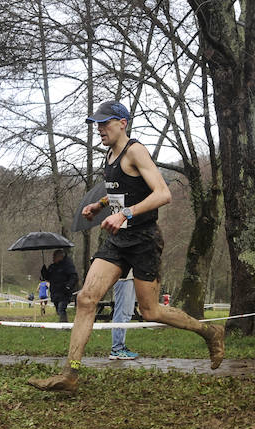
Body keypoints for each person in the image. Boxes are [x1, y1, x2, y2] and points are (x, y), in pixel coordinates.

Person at [28, 101, 224, 392]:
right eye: (97, 124)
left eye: (105, 123)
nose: (99, 129)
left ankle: (210, 332)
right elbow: (122, 192)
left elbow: (162, 193)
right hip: (118, 240)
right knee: (86, 299)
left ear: (123, 123)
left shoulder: (136, 150)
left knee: (151, 311)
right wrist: (101, 205)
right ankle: (70, 373)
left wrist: (125, 214)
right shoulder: (110, 155)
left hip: (144, 239)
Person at [41, 249, 78, 322]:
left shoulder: (68, 266)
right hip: (55, 292)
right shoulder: (52, 267)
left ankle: (64, 325)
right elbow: (47, 277)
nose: (53, 258)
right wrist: (44, 271)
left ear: (61, 257)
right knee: (58, 310)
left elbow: (74, 277)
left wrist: (68, 286)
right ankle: (63, 323)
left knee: (61, 308)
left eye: (55, 256)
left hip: (64, 292)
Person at [110, 271, 138, 359]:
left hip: (131, 277)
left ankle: (121, 346)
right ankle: (117, 349)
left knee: (127, 314)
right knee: (121, 313)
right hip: (123, 278)